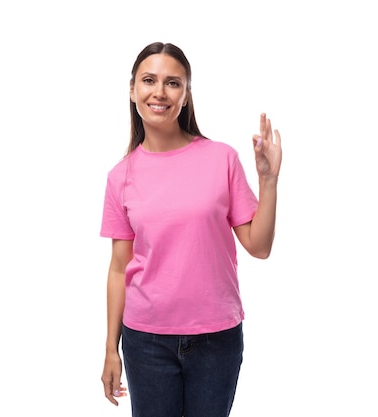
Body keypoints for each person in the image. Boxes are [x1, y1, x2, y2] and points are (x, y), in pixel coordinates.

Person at [99, 41, 282, 417]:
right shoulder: (121, 177)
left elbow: (259, 247)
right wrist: (109, 349)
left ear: (186, 94)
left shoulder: (222, 159)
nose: (160, 92)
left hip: (217, 338)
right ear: (132, 90)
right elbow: (119, 267)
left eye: (173, 83)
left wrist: (268, 181)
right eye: (149, 80)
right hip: (146, 340)